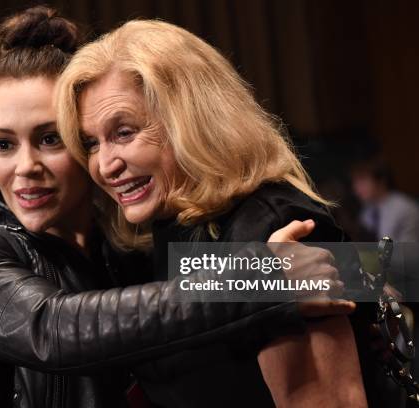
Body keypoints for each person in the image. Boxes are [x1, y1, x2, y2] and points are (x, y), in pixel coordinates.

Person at [0, 8, 356, 408]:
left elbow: (341, 271)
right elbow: (54, 329)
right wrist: (258, 279)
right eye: (2, 143)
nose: (25, 167)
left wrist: (378, 280)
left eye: (51, 138)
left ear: (187, 118)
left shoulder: (137, 245)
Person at [55, 19, 375, 407]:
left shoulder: (272, 224)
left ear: (191, 120)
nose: (105, 165)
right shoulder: (164, 233)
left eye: (124, 133)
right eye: (91, 143)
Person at [351, 157, 419, 243]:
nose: (356, 188)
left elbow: (409, 252)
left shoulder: (406, 209)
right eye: (355, 182)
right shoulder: (367, 210)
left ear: (381, 181)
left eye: (362, 181)